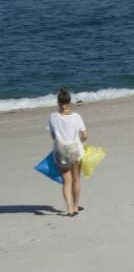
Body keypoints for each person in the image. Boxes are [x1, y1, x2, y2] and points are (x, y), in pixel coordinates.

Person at [48, 88, 88, 217]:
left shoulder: (53, 117)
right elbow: (85, 135)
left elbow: (53, 137)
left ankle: (70, 209)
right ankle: (76, 206)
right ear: (69, 101)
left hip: (61, 150)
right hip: (75, 149)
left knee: (67, 181)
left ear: (58, 102)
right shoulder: (76, 116)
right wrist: (79, 142)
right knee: (76, 180)